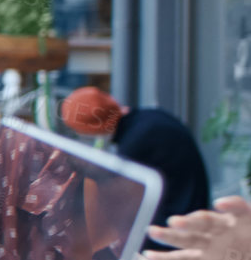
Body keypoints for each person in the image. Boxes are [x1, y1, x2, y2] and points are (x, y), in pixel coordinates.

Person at [59, 85, 210, 226]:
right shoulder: (150, 117)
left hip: (178, 224)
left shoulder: (135, 143)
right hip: (190, 211)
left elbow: (118, 202)